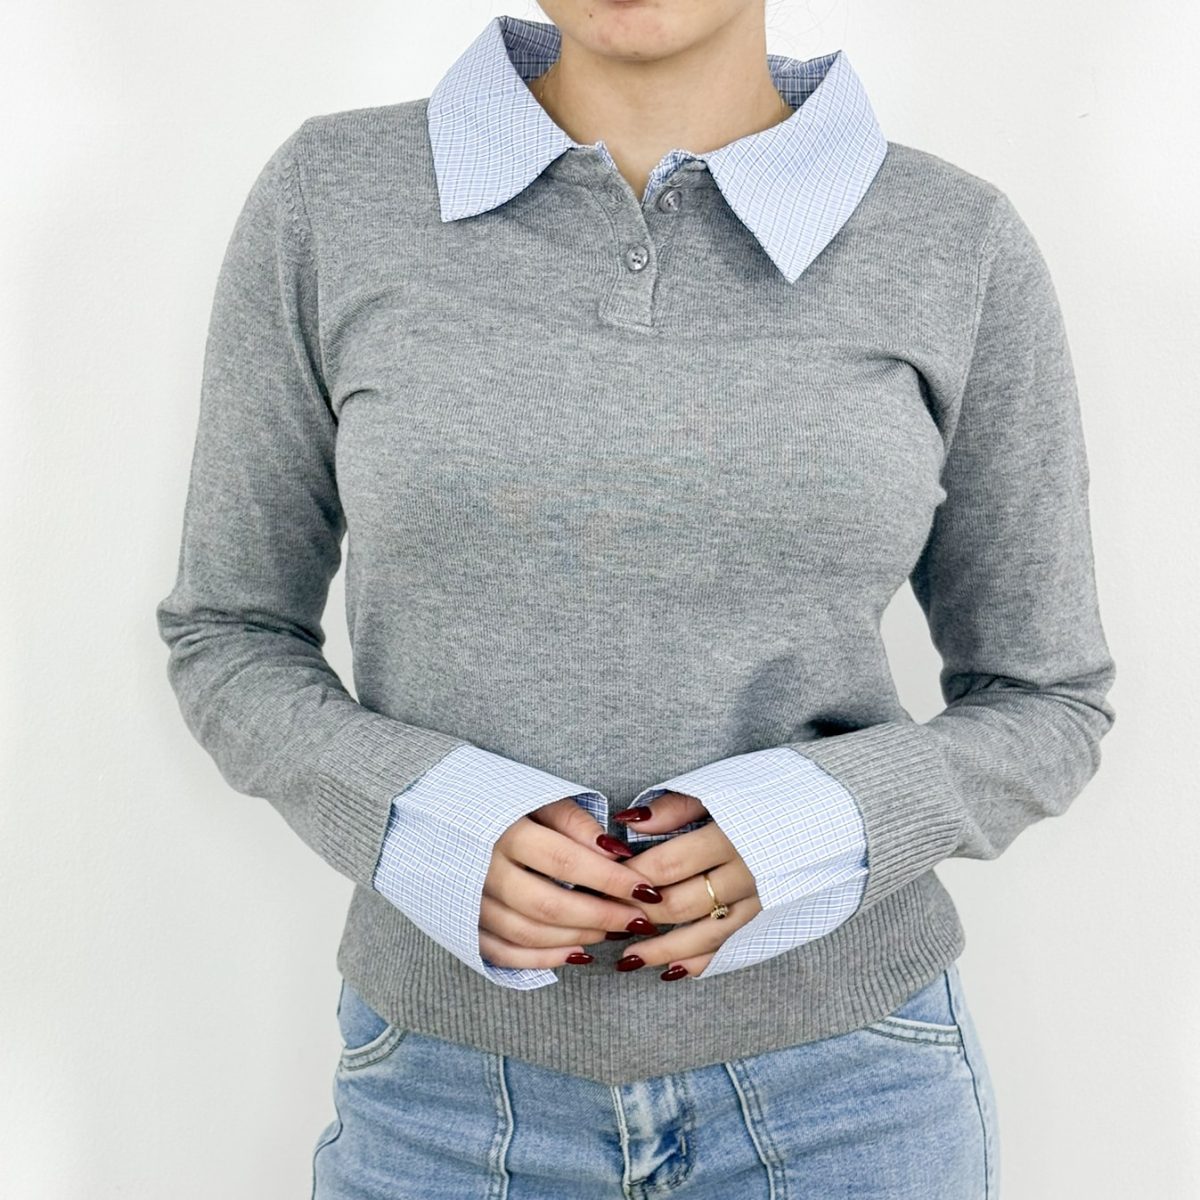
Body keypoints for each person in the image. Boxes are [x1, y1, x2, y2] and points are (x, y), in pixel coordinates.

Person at [155, 4, 1117, 1197]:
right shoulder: (333, 196)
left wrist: (818, 823)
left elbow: (1049, 699)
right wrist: (422, 817)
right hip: (444, 1107)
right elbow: (228, 633)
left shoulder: (952, 238)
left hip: (852, 1105)